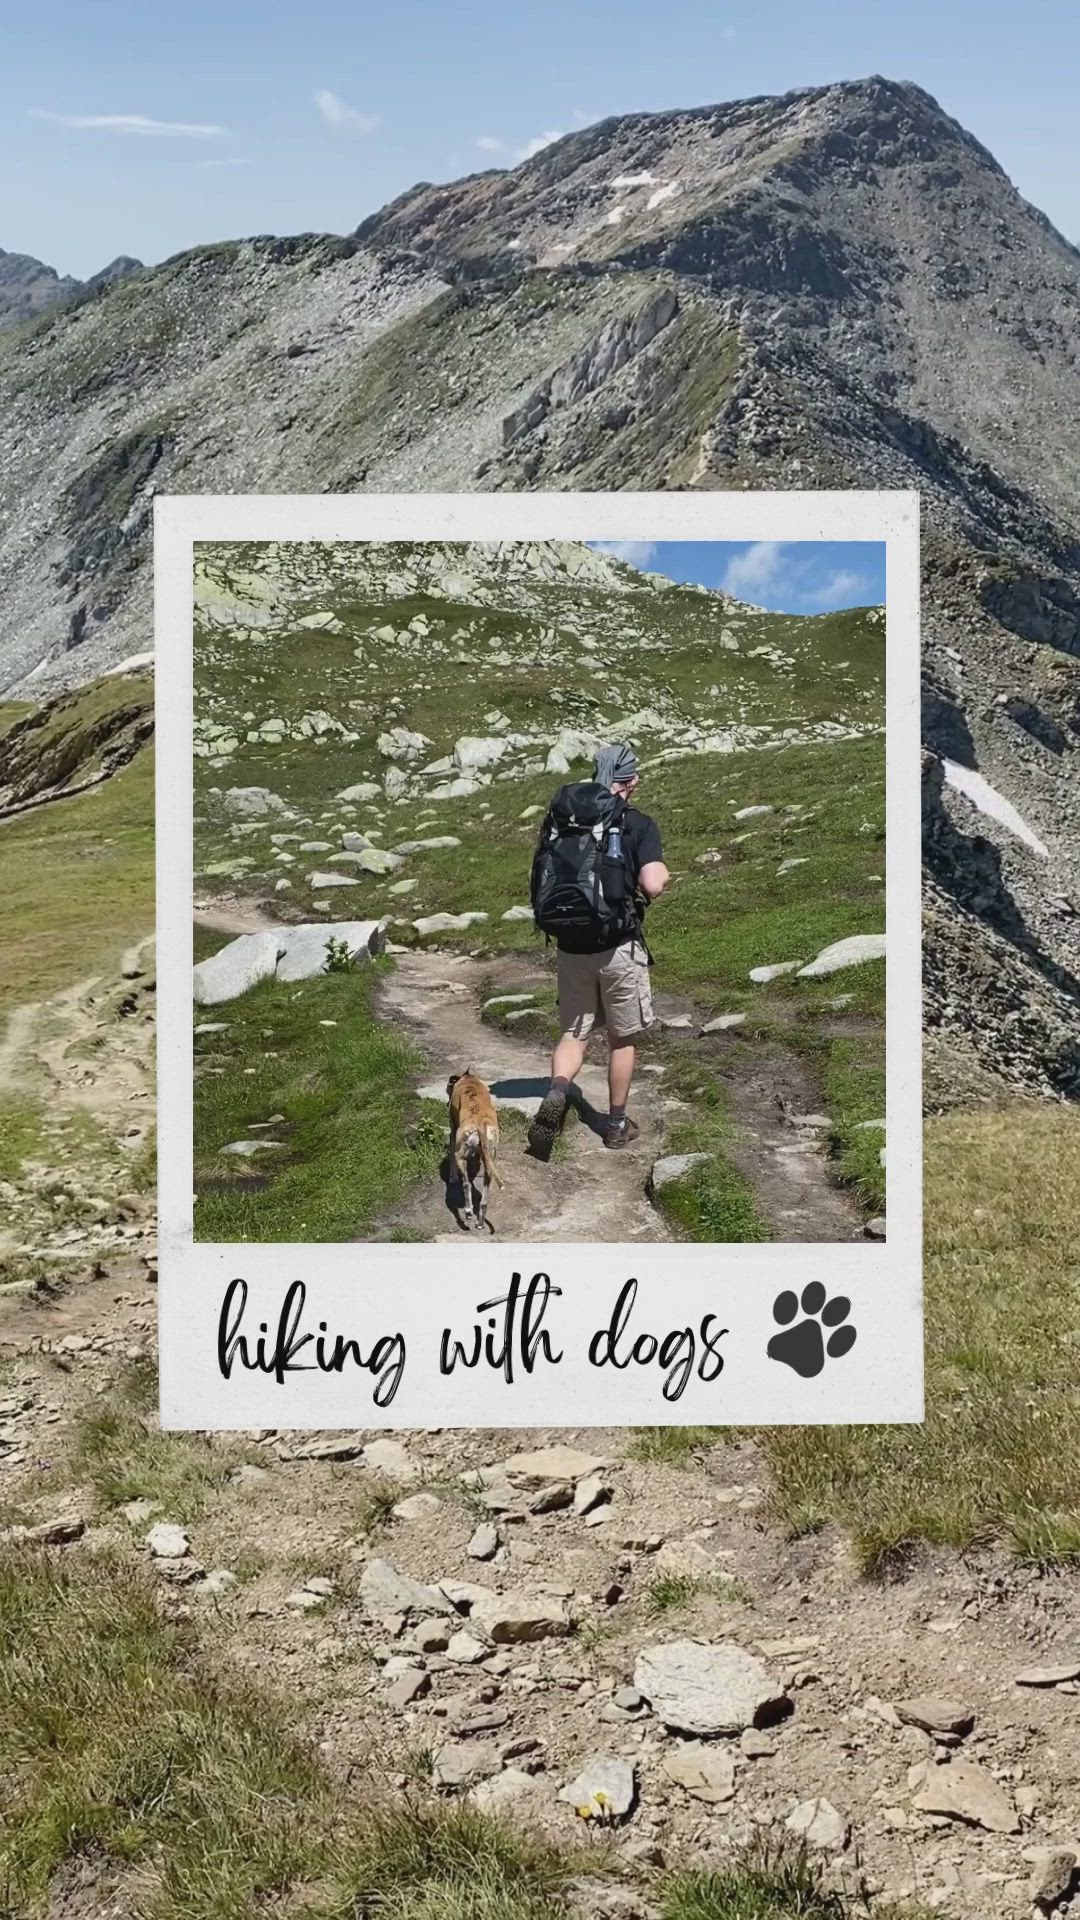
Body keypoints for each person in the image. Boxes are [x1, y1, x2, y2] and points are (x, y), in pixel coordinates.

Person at [527, 741, 669, 1157]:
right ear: (632, 781)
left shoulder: (562, 818)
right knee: (622, 1039)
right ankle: (616, 1124)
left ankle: (557, 1091)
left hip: (571, 946)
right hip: (617, 947)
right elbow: (652, 885)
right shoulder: (636, 823)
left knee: (575, 1033)